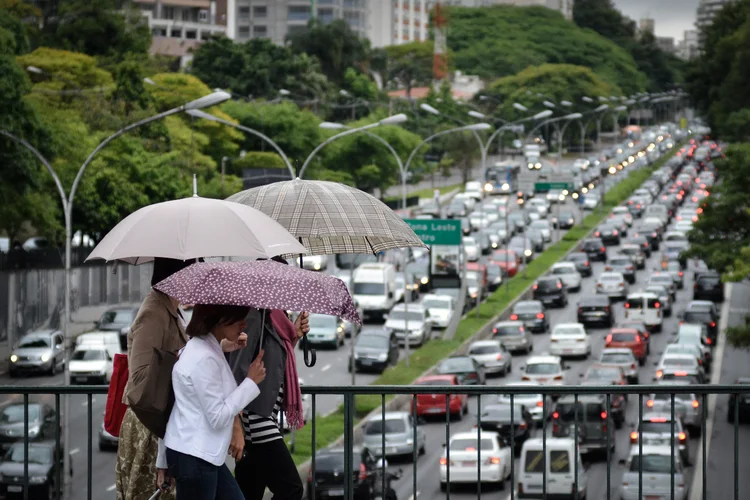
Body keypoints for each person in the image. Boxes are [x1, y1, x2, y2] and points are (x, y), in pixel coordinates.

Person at [157, 304, 267, 500]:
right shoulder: (204, 358)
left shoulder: (202, 347)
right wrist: (250, 382)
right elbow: (217, 416)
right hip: (194, 457)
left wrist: (225, 346)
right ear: (219, 319)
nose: (243, 324)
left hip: (198, 455)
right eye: (237, 318)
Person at [228, 258, 310, 500]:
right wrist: (237, 427)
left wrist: (293, 335)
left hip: (264, 417)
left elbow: (274, 366)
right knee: (291, 489)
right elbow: (236, 372)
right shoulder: (255, 316)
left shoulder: (275, 318)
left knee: (248, 493)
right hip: (256, 419)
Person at [115, 258, 197, 500]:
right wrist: (182, 357)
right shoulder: (153, 313)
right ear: (178, 276)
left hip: (161, 424)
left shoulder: (171, 308)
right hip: (149, 427)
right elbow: (140, 379)